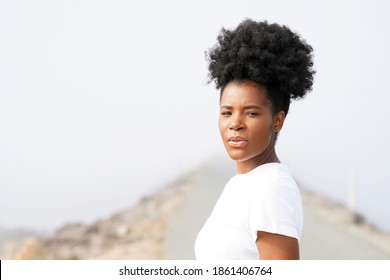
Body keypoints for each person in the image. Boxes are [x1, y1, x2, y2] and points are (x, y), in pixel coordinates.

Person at [194, 19, 315, 260]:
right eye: (226, 112)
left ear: (277, 121)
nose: (235, 123)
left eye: (251, 113)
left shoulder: (271, 189)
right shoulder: (242, 182)